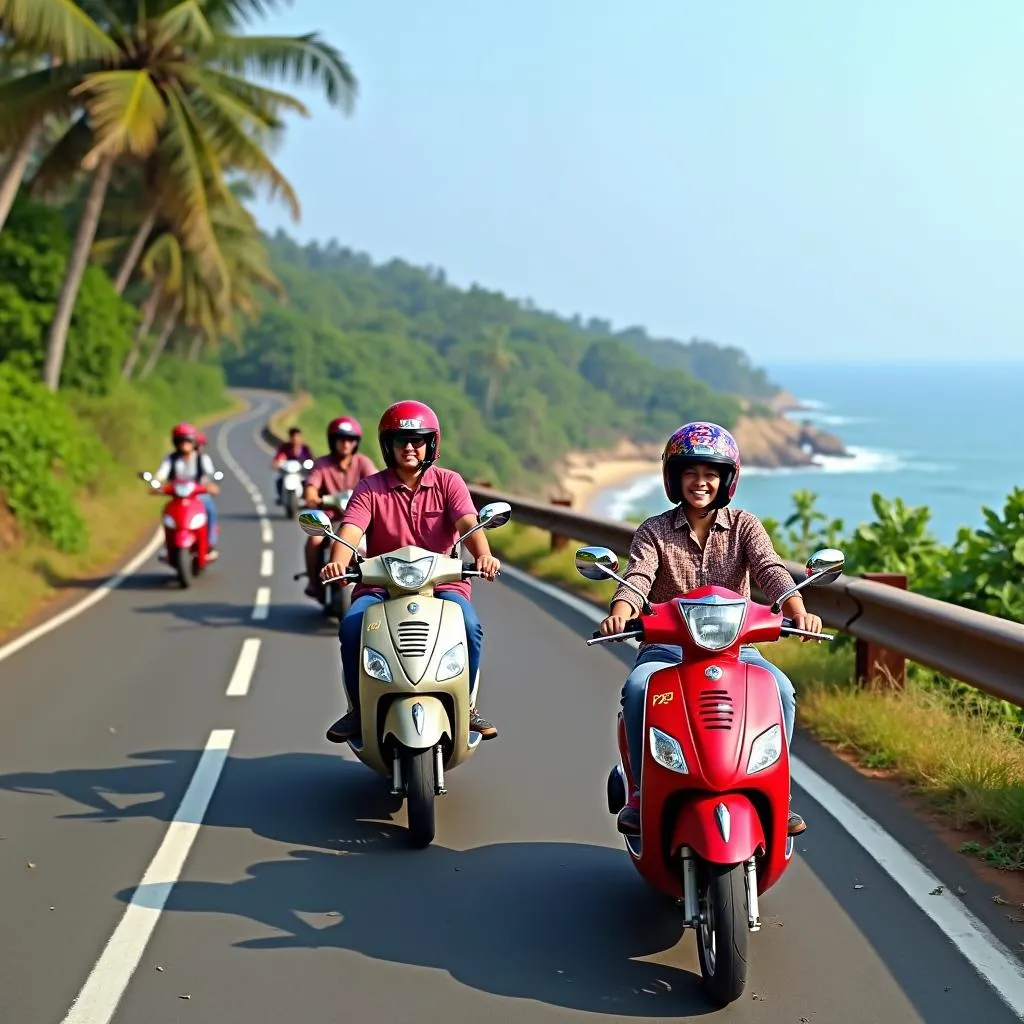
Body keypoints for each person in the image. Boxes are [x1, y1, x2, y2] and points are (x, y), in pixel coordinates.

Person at [597, 421, 823, 838]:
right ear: (674, 478)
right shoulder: (654, 531)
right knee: (637, 689)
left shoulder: (744, 526)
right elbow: (638, 575)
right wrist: (621, 608)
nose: (700, 483)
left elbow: (770, 568)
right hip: (668, 650)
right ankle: (641, 795)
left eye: (710, 474)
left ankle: (778, 793)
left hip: (736, 651)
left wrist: (798, 608)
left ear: (726, 480)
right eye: (690, 473)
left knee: (781, 692)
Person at [319, 400, 501, 744]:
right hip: (380, 587)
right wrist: (338, 561)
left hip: (444, 586)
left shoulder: (449, 482)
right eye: (400, 440)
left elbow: (468, 523)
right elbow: (350, 531)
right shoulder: (370, 487)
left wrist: (485, 555)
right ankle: (359, 709)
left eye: (417, 440)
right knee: (353, 625)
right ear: (387, 446)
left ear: (431, 443)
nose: (409, 447)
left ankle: (468, 706)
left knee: (469, 626)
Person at [301, 416, 377, 600]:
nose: (345, 443)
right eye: (341, 438)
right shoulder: (322, 464)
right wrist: (312, 496)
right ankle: (313, 582)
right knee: (314, 541)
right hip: (330, 521)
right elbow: (311, 486)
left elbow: (377, 484)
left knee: (376, 544)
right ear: (332, 440)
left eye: (350, 439)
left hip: (359, 523)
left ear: (356, 442)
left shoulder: (363, 463)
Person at [153, 422, 221, 553]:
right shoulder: (170, 459)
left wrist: (211, 485)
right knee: (167, 514)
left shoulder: (202, 458)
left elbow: (211, 473)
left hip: (199, 496)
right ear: (176, 443)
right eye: (181, 441)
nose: (185, 444)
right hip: (177, 497)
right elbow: (162, 473)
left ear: (193, 442)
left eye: (188, 441)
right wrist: (156, 483)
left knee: (210, 510)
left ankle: (210, 543)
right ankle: (169, 543)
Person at [272, 427, 314, 505]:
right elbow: (279, 457)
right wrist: (277, 463)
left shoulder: (305, 449)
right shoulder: (284, 448)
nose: (295, 439)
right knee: (278, 479)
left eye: (297, 437)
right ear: (290, 437)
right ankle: (280, 496)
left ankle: (306, 497)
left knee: (309, 481)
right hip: (287, 472)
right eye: (293, 437)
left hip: (301, 473)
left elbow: (311, 459)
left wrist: (310, 465)